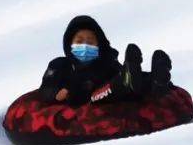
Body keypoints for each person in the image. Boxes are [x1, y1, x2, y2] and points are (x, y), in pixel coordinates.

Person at [39, 15, 173, 106]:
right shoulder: (60, 65)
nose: (85, 46)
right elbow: (45, 89)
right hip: (89, 99)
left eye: (90, 42)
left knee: (130, 84)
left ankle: (156, 81)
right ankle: (125, 84)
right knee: (117, 86)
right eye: (79, 41)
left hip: (117, 97)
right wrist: (58, 94)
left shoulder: (106, 62)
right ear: (69, 44)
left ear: (99, 45)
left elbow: (128, 74)